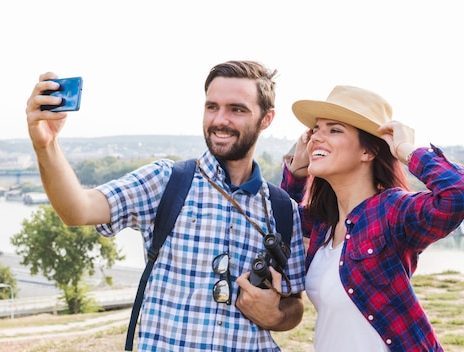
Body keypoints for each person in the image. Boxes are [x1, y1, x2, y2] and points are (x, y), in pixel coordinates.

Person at [26, 60, 306, 351]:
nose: (220, 119)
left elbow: (294, 306)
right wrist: (46, 145)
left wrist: (275, 315)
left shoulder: (283, 209)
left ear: (266, 119)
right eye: (212, 107)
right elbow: (77, 210)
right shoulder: (167, 181)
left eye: (237, 109)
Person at [281, 85, 464, 351]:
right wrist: (297, 172)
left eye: (334, 129)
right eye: (316, 129)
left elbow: (462, 193)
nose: (317, 137)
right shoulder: (323, 225)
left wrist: (404, 149)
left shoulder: (392, 211)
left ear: (368, 152)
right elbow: (281, 221)